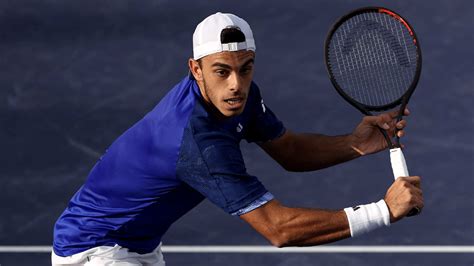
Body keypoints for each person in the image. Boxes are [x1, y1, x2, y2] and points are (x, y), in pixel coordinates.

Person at [52, 12, 424, 265]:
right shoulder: (198, 141)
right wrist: (383, 211)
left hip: (137, 244)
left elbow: (290, 151)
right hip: (95, 252)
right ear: (195, 69)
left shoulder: (236, 96)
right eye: (222, 72)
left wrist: (355, 143)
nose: (236, 85)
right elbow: (279, 229)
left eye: (245, 70)